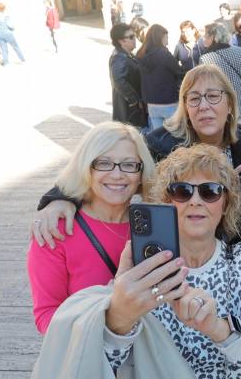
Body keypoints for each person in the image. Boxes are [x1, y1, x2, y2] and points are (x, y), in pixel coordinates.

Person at [100, 144, 241, 377]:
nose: (195, 201)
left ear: (226, 203)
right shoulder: (143, 265)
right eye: (182, 191)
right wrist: (120, 316)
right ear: (167, 202)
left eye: (210, 191)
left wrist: (217, 328)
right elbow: (106, 359)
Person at [30, 64, 241, 247]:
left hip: (239, 258)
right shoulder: (160, 144)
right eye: (194, 98)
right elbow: (108, 165)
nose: (203, 106)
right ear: (186, 108)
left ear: (230, 104)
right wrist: (60, 198)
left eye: (213, 96)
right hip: (178, 256)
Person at [27, 121, 156, 333]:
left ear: (141, 172)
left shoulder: (151, 226)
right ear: (86, 167)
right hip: (89, 357)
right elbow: (46, 316)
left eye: (129, 165)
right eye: (103, 163)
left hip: (149, 358)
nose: (117, 174)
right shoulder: (56, 231)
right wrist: (109, 327)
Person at [200, 23, 241, 125]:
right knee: (239, 133)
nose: (203, 39)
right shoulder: (239, 51)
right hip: (240, 103)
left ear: (213, 37)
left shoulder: (205, 59)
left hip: (218, 104)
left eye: (205, 36)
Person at [136, 24, 182, 132]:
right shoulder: (163, 54)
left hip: (151, 103)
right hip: (169, 101)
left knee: (158, 136)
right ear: (160, 37)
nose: (168, 40)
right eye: (166, 37)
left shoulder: (141, 54)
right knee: (175, 135)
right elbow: (179, 72)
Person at [109, 23, 147, 129]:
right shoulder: (119, 57)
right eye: (131, 37)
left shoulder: (126, 54)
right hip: (128, 110)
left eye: (134, 35)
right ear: (121, 41)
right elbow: (118, 81)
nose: (134, 39)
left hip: (132, 108)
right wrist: (134, 100)